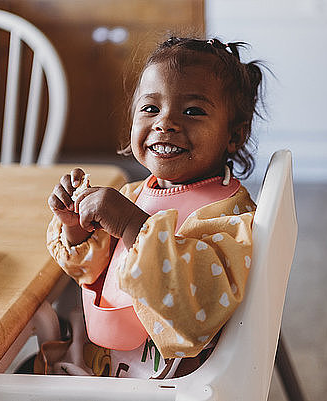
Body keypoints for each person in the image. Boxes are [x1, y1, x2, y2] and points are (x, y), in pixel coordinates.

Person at [46, 36, 264, 379]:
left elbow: (197, 306)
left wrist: (132, 224)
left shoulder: (229, 216)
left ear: (234, 135)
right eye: (150, 108)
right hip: (105, 361)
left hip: (168, 382)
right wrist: (75, 228)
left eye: (192, 111)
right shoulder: (133, 194)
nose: (165, 123)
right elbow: (94, 272)